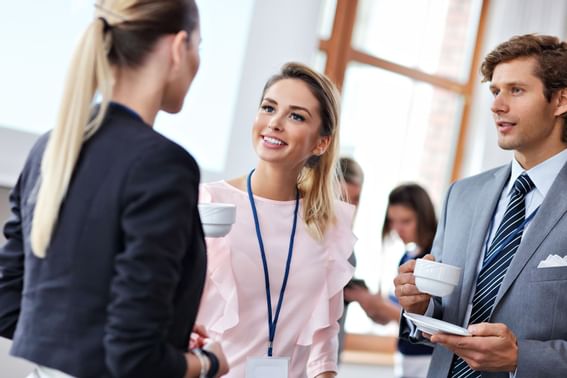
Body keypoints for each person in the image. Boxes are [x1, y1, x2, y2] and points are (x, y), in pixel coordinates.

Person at [0, 1, 228, 377]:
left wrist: (164, 337)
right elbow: (134, 361)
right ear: (177, 47)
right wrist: (208, 362)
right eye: (198, 48)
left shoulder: (50, 147)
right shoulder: (164, 166)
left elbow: (9, 305)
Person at [394, 34, 567, 378]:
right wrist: (420, 304)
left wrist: (522, 357)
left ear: (561, 100)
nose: (497, 105)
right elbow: (444, 315)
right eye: (495, 91)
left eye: (516, 90)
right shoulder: (461, 195)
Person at [197, 62, 356, 378]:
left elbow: (324, 345)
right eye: (269, 108)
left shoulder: (330, 223)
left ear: (321, 143)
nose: (275, 123)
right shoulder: (209, 203)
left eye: (296, 116)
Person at [346, 184, 436, 377]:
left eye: (406, 221)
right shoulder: (406, 257)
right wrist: (367, 302)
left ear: (424, 217)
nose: (397, 229)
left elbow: (423, 320)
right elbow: (392, 316)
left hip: (428, 359)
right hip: (405, 356)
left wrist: (378, 304)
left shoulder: (433, 258)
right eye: (392, 221)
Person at [336, 156, 364, 361]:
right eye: (342, 198)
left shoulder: (346, 238)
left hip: (332, 345)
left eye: (354, 199)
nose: (349, 207)